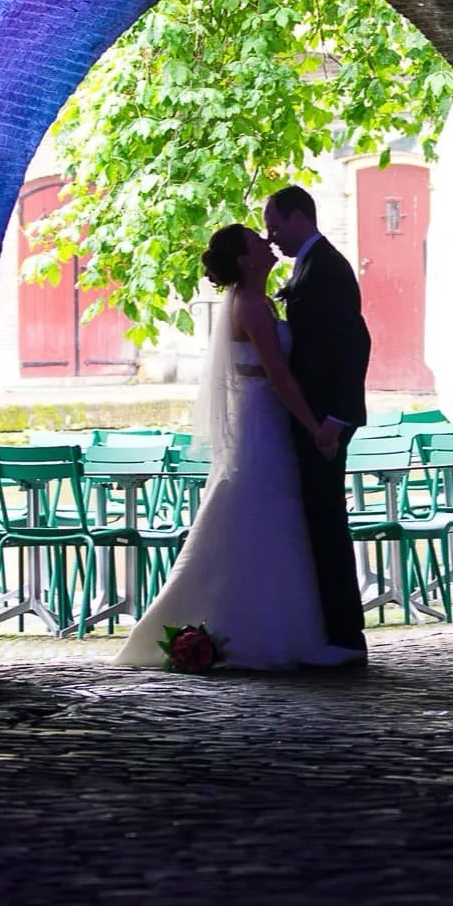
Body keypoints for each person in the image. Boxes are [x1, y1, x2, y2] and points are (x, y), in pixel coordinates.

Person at [116, 223, 341, 671]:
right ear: (244, 259)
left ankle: (279, 627)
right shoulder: (251, 305)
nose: (268, 243)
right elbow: (278, 374)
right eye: (258, 242)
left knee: (269, 520)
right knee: (259, 515)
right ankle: (253, 631)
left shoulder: (255, 301)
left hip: (263, 419)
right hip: (260, 422)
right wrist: (315, 425)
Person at [263, 184, 371, 665]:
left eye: (275, 225)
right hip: (312, 419)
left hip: (324, 421)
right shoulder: (309, 266)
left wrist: (333, 419)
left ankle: (346, 637)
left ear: (298, 217)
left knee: (328, 523)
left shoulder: (326, 269)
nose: (272, 237)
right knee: (317, 521)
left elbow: (352, 345)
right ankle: (331, 629)